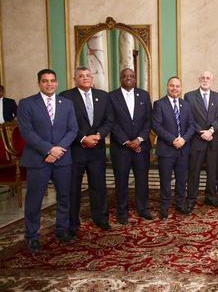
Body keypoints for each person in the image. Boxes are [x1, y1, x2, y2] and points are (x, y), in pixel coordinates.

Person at [18, 69, 77, 253]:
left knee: (64, 197)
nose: (49, 84)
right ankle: (32, 236)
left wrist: (58, 150)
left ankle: (62, 229)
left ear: (57, 83)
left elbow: (73, 129)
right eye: (45, 81)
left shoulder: (66, 103)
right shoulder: (27, 104)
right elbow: (26, 132)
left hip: (62, 158)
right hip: (38, 159)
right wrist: (48, 149)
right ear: (39, 83)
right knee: (34, 200)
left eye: (52, 81)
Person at [60, 66, 113, 233]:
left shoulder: (103, 96)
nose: (85, 78)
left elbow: (109, 120)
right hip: (76, 149)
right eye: (81, 76)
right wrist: (83, 138)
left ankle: (101, 218)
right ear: (75, 79)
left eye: (88, 75)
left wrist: (99, 135)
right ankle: (72, 223)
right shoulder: (66, 96)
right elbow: (66, 123)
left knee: (99, 186)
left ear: (92, 78)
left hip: (97, 149)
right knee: (73, 188)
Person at [109, 68, 153, 224]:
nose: (129, 78)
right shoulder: (112, 96)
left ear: (135, 78)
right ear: (120, 78)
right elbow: (111, 122)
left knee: (142, 179)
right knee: (121, 180)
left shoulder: (144, 95)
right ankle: (122, 211)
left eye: (132, 76)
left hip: (141, 147)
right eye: (125, 76)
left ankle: (143, 209)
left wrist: (140, 139)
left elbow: (149, 120)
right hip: (120, 148)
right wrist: (127, 142)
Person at [152, 77, 195, 219]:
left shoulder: (186, 105)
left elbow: (191, 126)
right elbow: (157, 126)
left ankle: (180, 204)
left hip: (183, 148)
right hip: (166, 149)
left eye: (177, 86)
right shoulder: (159, 104)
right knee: (165, 180)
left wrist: (183, 139)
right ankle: (164, 207)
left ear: (181, 88)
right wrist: (172, 140)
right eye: (172, 86)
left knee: (182, 179)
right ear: (167, 87)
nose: (175, 88)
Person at [184, 71, 218, 210]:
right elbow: (188, 118)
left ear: (212, 80)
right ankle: (191, 198)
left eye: (208, 78)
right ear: (199, 79)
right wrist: (201, 132)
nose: (205, 80)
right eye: (202, 77)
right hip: (197, 140)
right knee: (194, 171)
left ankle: (210, 196)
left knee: (212, 171)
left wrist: (211, 130)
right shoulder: (189, 96)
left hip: (213, 140)